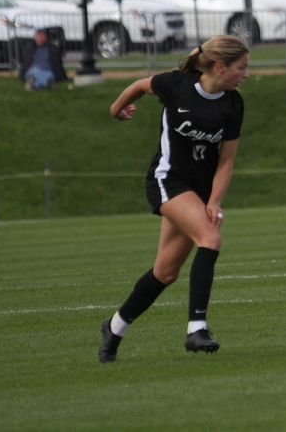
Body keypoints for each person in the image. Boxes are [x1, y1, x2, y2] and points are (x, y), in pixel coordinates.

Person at [98, 36, 249, 363]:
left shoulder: (233, 104)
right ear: (220, 66)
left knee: (165, 272)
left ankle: (115, 326)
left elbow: (226, 161)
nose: (246, 74)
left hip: (198, 191)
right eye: (242, 67)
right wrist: (116, 110)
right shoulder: (176, 85)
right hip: (167, 180)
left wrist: (214, 200)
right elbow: (139, 85)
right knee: (210, 238)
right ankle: (197, 328)